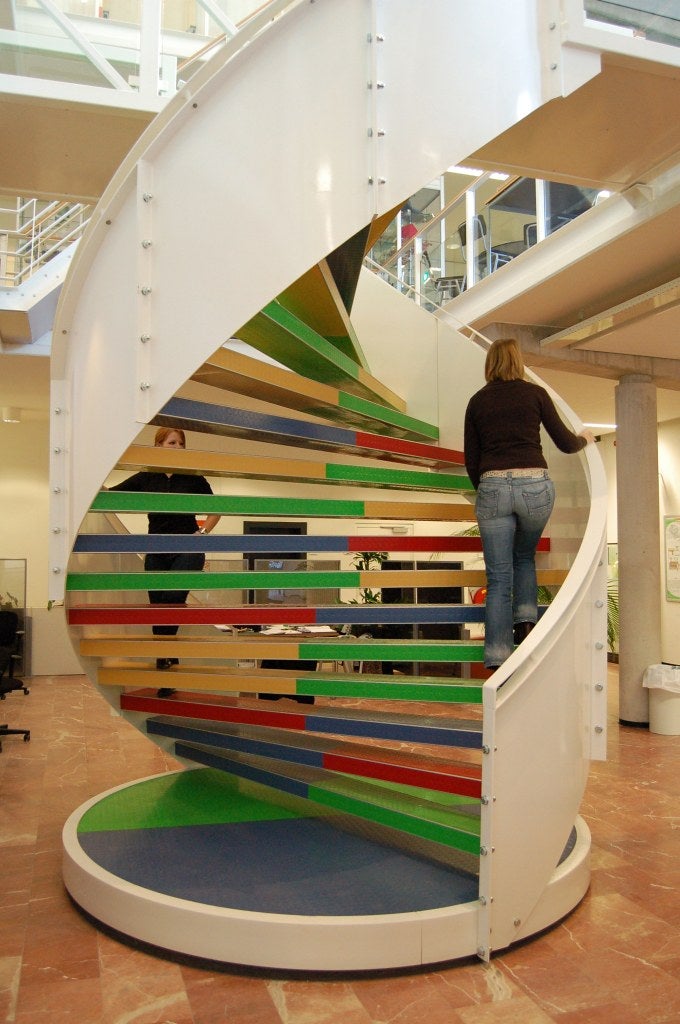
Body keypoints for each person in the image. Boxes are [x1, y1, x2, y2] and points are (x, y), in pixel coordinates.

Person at [464, 338, 595, 670]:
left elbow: (471, 460)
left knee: (498, 577)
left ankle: (496, 657)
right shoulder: (536, 394)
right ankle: (526, 621)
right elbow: (565, 443)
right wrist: (585, 439)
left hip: (493, 485)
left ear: (489, 363)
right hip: (534, 485)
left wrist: (487, 489)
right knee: (524, 556)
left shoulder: (477, 401)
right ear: (518, 361)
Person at [109, 427, 220, 693]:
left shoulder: (193, 478)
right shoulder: (147, 478)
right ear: (158, 445)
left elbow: (217, 509)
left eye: (181, 443)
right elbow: (113, 493)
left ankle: (163, 660)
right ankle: (169, 657)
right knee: (157, 606)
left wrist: (202, 533)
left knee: (172, 599)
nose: (178, 447)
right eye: (172, 442)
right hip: (156, 549)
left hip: (187, 548)